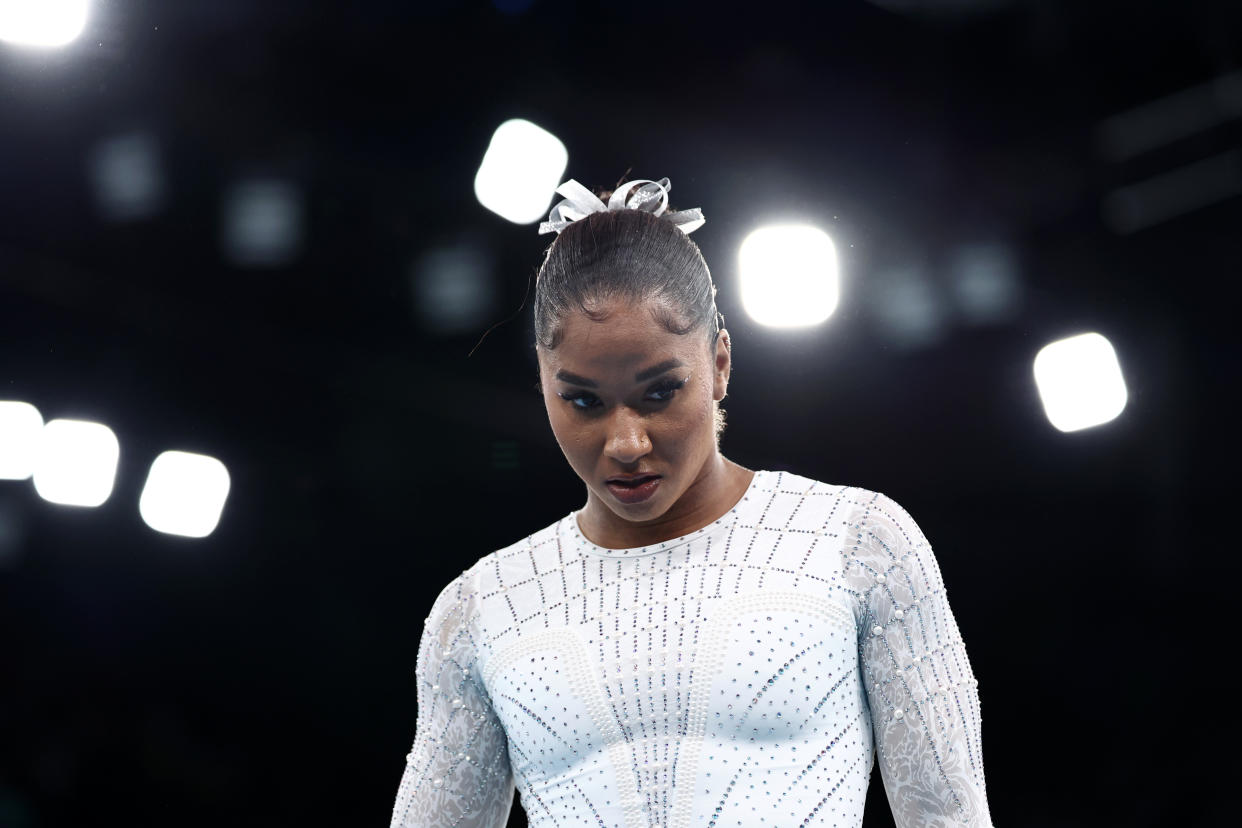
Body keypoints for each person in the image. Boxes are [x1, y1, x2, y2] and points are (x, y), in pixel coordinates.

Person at [389, 177, 994, 828]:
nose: (625, 442)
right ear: (542, 382)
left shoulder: (859, 543)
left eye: (659, 392)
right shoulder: (480, 611)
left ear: (720, 363)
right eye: (584, 401)